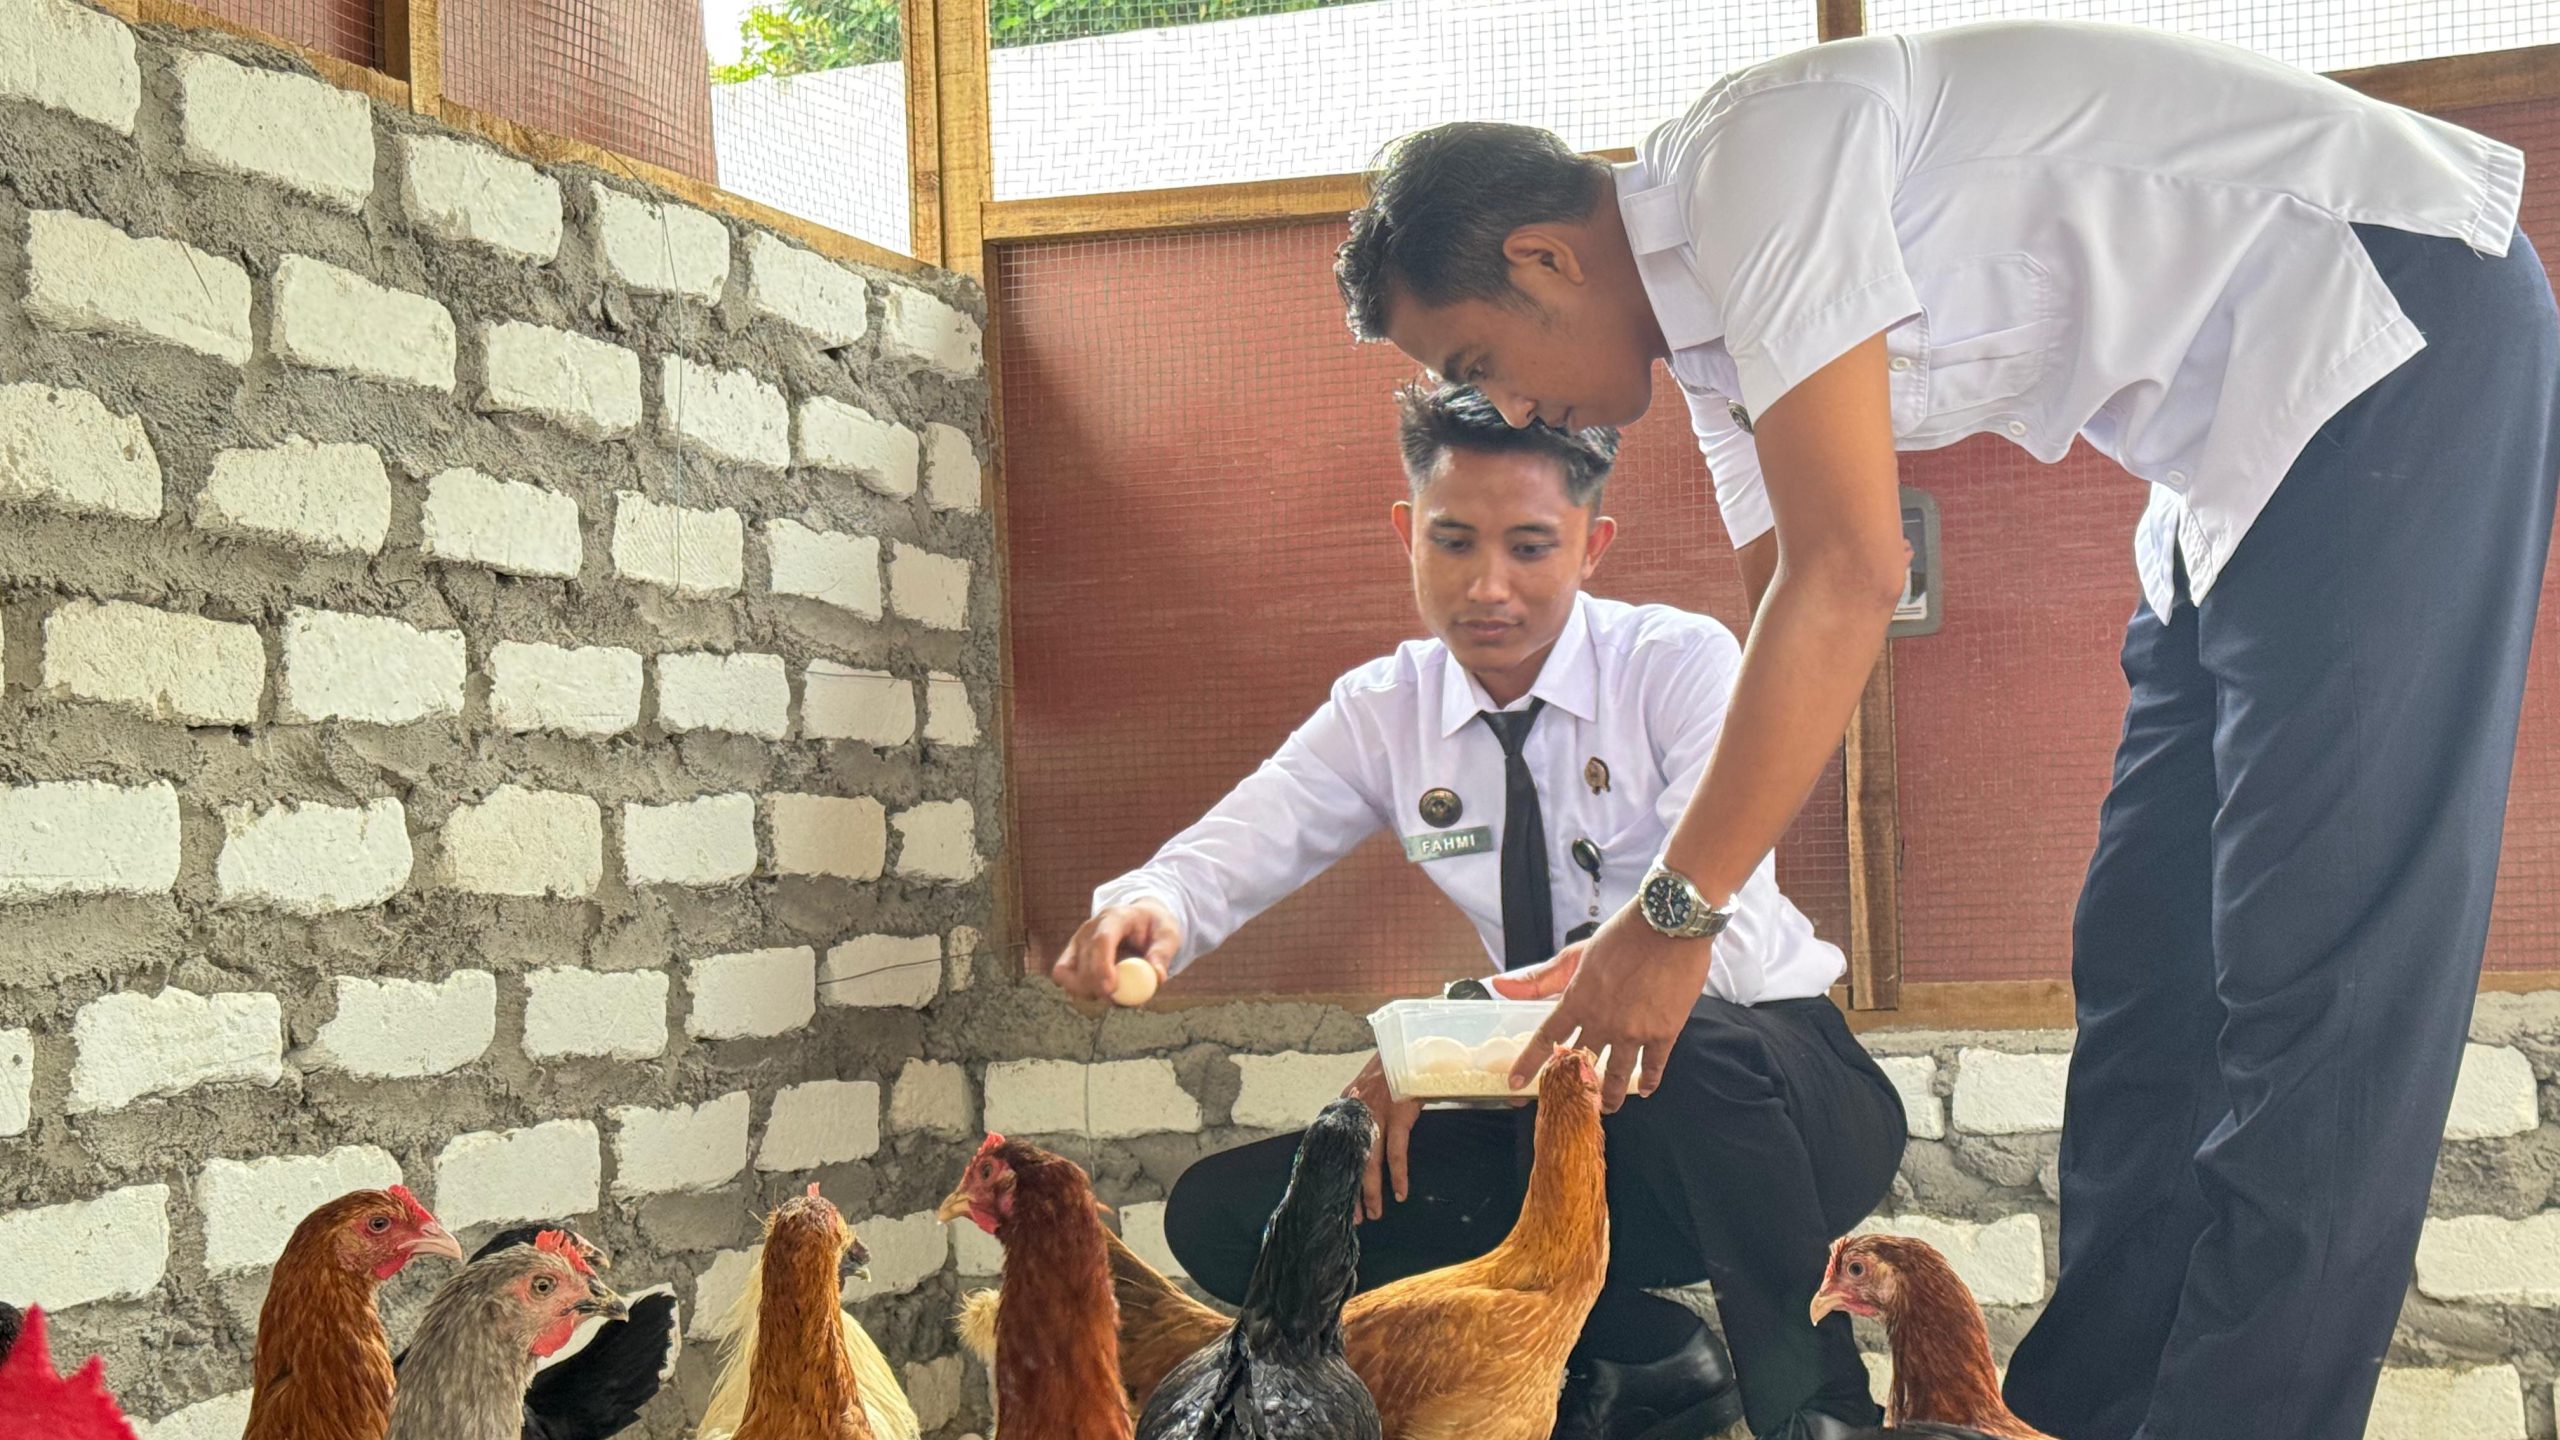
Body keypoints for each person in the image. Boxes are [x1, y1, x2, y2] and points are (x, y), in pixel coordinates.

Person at [1328, 18, 2560, 1440]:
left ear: (1546, 258)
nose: (1515, 410)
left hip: (2393, 335)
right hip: (2226, 472)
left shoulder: (1750, 165)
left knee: (2317, 980)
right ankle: (2067, 1420)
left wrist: (1672, 917)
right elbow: (1787, 647)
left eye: (1485, 360)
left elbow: (1855, 573)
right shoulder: (1722, 352)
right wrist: (1601, 951)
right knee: (2151, 965)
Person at [1051, 382, 1909, 1439]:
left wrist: (1437, 1037)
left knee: (1689, 1048)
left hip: (1778, 1101)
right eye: (1454, 543)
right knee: (1241, 1217)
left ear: (1594, 546)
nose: (1486, 587)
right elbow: (1239, 843)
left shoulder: (1678, 665)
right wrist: (1150, 906)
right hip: (1571, 1122)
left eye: (1531, 548)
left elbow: (1684, 962)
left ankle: (1819, 1415)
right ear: (1409, 534)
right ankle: (1638, 1357)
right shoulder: (1386, 708)